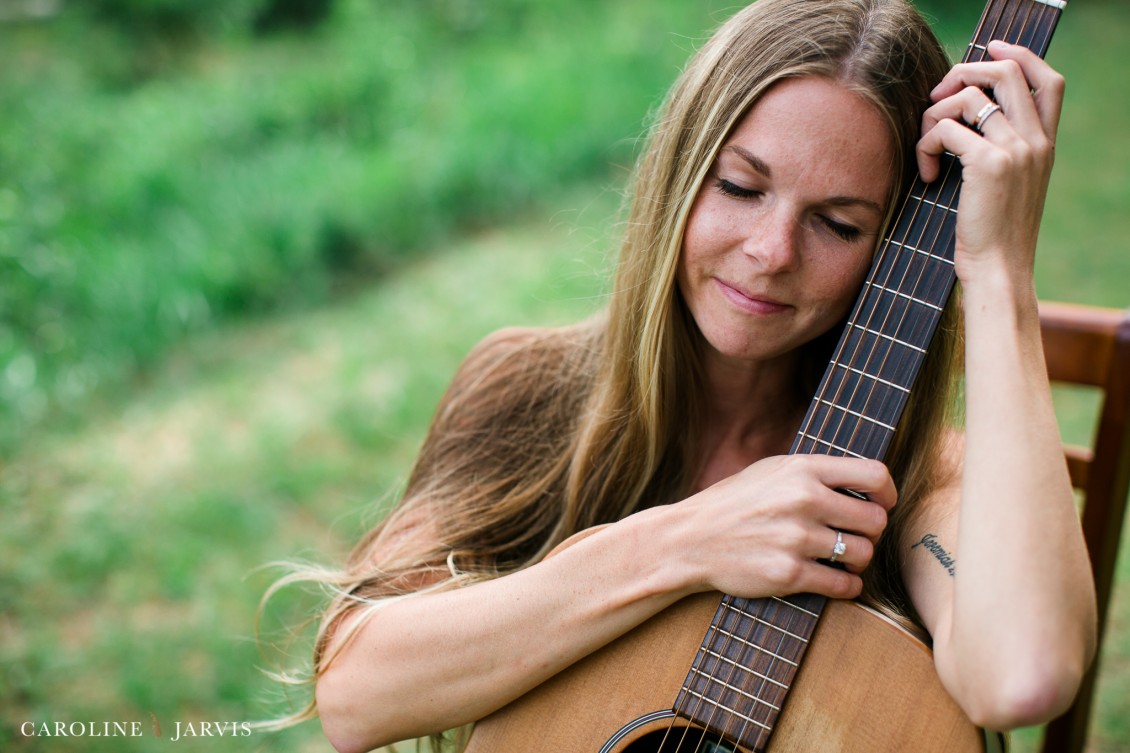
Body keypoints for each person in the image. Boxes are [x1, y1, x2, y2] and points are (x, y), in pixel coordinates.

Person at [281, 1, 1098, 751]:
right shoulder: (525, 388)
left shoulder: (913, 475)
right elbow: (356, 694)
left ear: (889, 251)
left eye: (838, 224)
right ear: (677, 171)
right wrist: (688, 540)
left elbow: (1024, 673)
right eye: (741, 186)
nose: (771, 252)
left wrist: (996, 269)